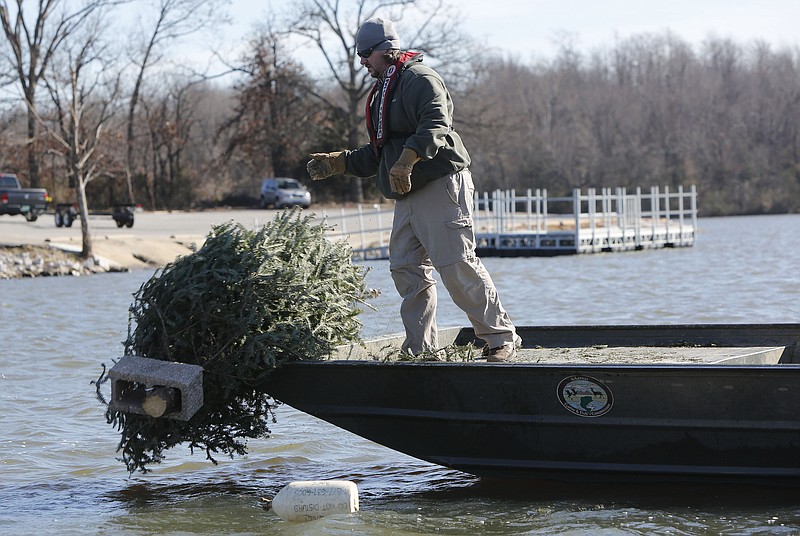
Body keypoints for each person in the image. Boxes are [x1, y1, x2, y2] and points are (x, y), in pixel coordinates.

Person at [307, 17, 519, 361]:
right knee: (405, 267)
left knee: (455, 263)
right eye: (360, 54)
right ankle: (421, 348)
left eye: (366, 53)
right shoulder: (383, 90)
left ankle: (499, 338)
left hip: (438, 183)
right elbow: (380, 152)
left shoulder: (420, 79)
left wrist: (407, 161)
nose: (362, 60)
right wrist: (339, 162)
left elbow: (436, 124)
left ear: (387, 50)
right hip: (406, 192)